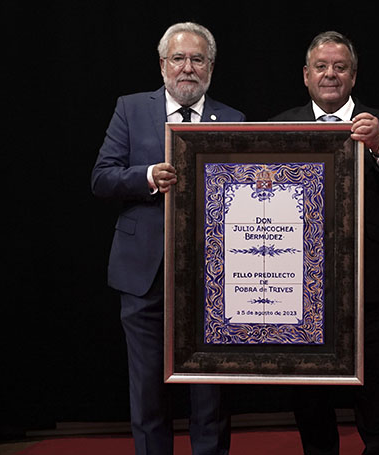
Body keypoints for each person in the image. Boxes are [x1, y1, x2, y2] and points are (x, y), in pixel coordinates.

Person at [91, 22, 245, 455]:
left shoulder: (233, 119)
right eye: (178, 58)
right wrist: (145, 177)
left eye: (197, 59)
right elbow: (101, 179)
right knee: (147, 393)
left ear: (211, 67)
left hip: (213, 278)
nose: (187, 68)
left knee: (210, 396)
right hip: (144, 275)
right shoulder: (131, 109)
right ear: (162, 65)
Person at [271, 31, 379, 455]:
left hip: (371, 291)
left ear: (353, 77)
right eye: (321, 67)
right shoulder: (279, 126)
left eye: (340, 67)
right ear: (306, 75)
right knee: (310, 404)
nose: (330, 74)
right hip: (299, 295)